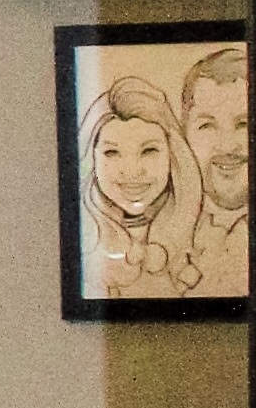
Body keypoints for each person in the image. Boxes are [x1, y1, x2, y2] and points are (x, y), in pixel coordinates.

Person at [78, 71, 199, 292]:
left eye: (149, 150)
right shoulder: (81, 246)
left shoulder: (200, 235)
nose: (132, 172)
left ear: (172, 154)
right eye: (112, 152)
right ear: (92, 159)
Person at [179, 42, 247, 293]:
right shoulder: (164, 234)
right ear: (184, 135)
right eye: (207, 126)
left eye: (244, 124)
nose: (227, 146)